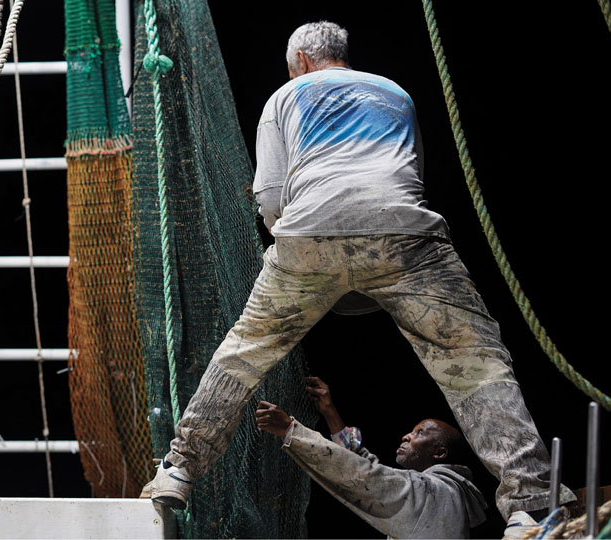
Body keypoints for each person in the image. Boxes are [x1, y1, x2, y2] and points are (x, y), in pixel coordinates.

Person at [143, 20, 573, 535]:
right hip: (405, 235)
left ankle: (179, 469)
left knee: (244, 352)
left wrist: (303, 253)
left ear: (300, 60)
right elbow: (404, 174)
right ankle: (531, 504)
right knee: (476, 366)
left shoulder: (287, 95)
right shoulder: (396, 92)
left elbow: (271, 195)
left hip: (309, 235)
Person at [254, 376, 487, 538]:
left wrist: (291, 430)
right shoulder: (445, 497)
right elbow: (365, 465)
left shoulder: (439, 491)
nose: (406, 436)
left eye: (420, 433)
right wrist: (330, 411)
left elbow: (365, 476)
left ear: (439, 453)